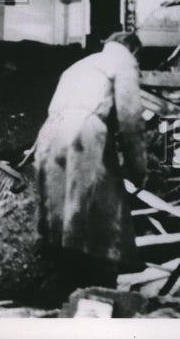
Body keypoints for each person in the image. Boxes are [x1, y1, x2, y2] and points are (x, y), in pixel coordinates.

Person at [35, 31, 147, 297]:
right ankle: (95, 284)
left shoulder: (81, 64)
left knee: (58, 208)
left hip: (50, 130)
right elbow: (131, 120)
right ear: (133, 50)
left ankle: (59, 282)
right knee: (97, 205)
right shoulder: (124, 61)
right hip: (83, 128)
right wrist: (138, 169)